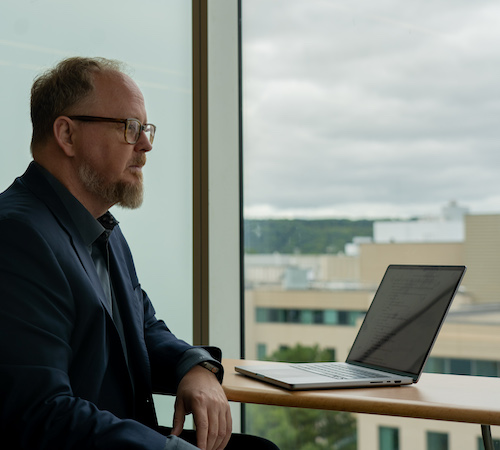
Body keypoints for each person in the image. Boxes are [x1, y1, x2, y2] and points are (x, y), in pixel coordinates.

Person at [0, 57, 278, 450]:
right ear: (67, 134)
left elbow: (143, 328)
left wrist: (194, 366)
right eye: (130, 128)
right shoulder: (15, 235)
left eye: (146, 129)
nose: (145, 145)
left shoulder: (103, 230)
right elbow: (38, 412)